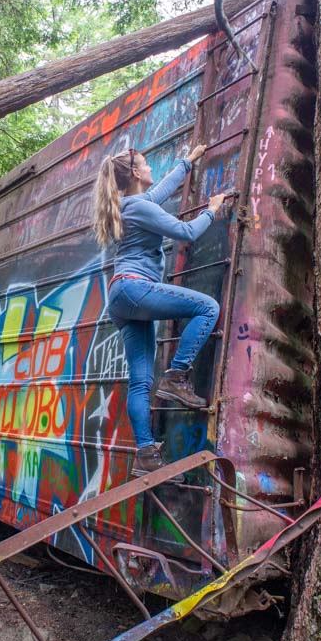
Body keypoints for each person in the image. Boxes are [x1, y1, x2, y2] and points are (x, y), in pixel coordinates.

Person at [93, 144, 227, 477]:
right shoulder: (138, 206)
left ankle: (146, 455)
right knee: (207, 307)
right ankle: (177, 376)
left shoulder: (131, 204)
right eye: (146, 164)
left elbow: (159, 191)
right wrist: (212, 210)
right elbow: (186, 232)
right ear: (136, 173)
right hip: (135, 288)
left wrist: (188, 163)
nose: (151, 168)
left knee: (140, 383)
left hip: (122, 298)